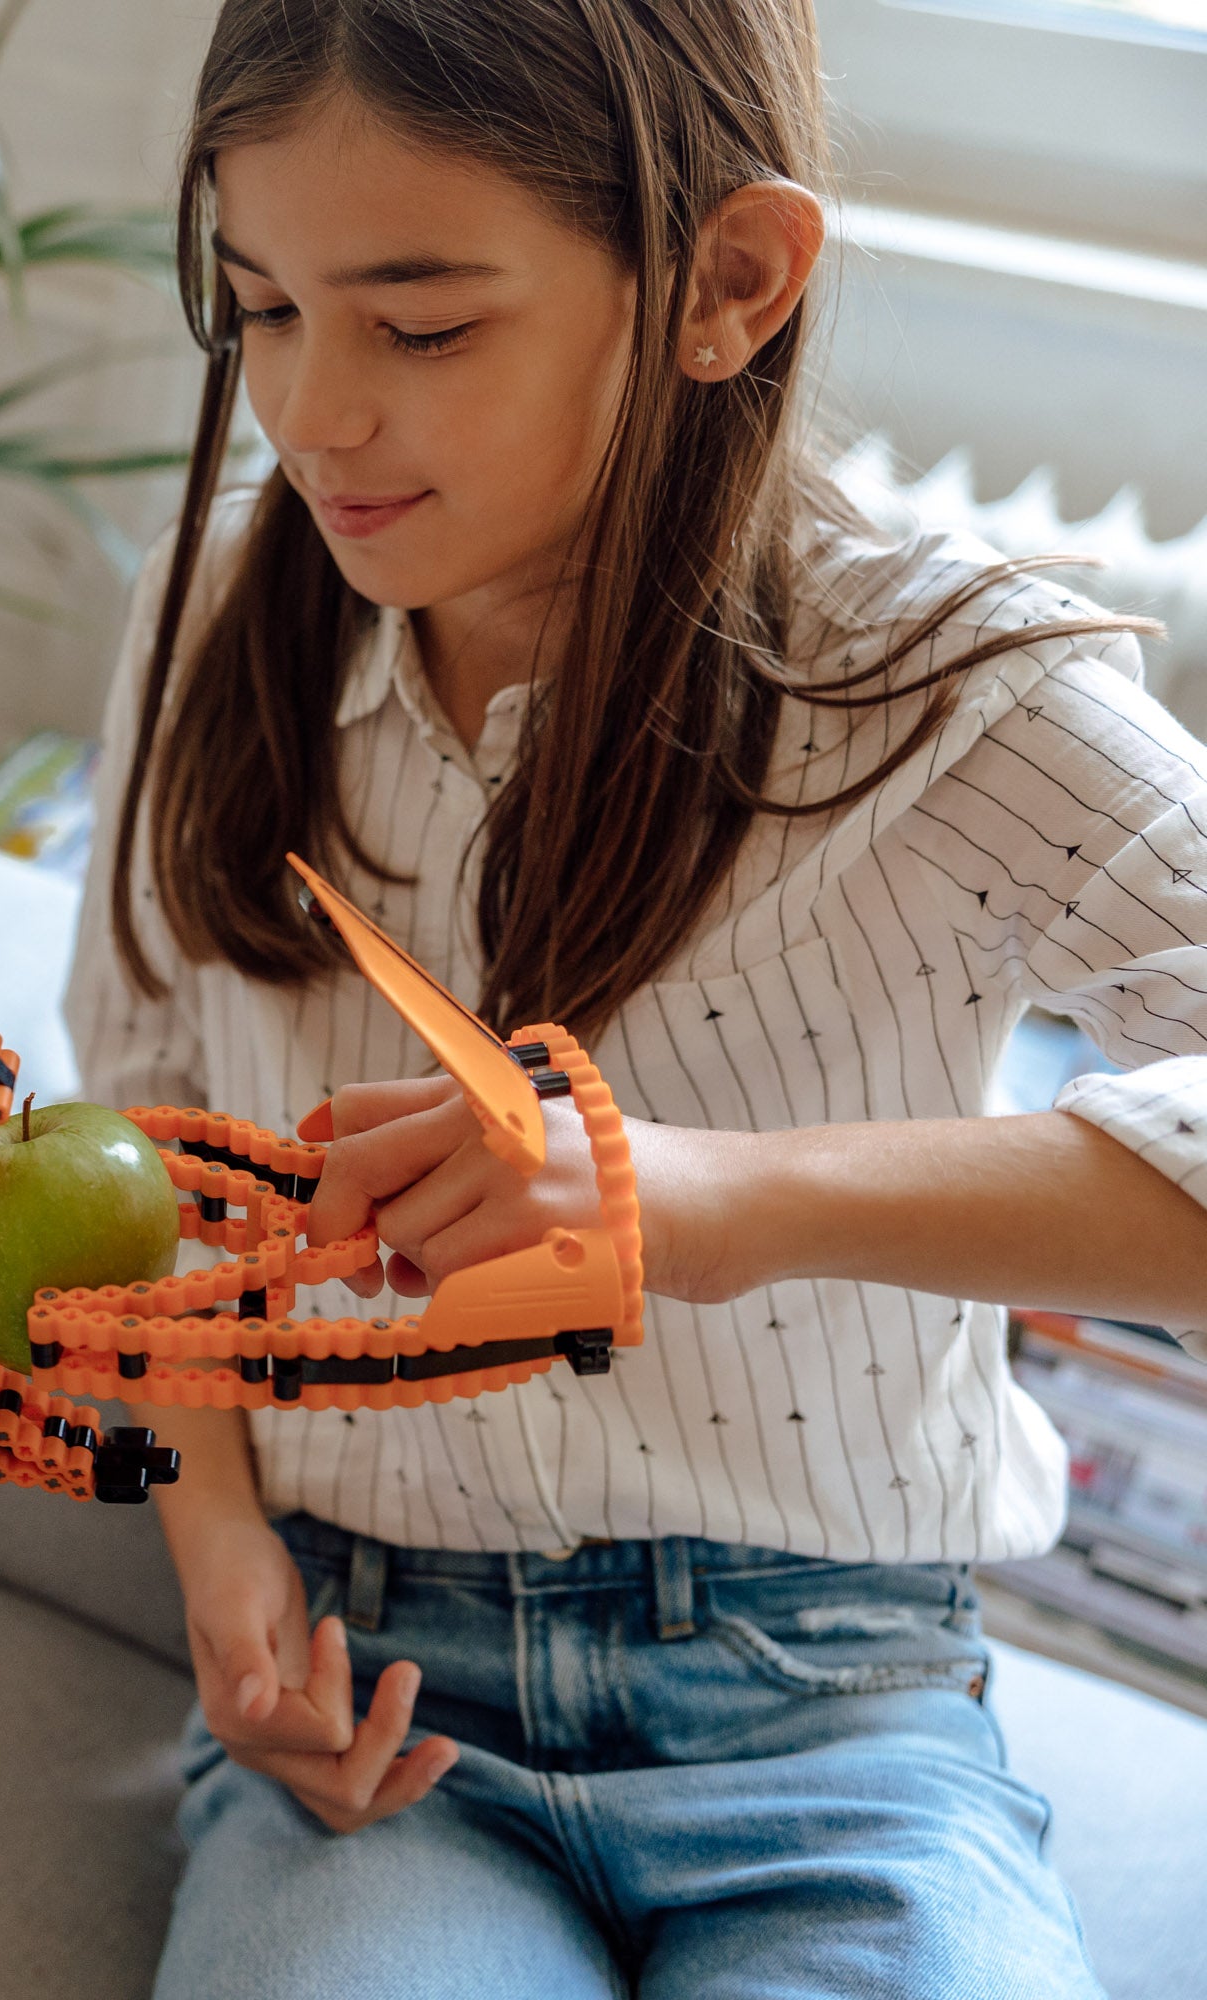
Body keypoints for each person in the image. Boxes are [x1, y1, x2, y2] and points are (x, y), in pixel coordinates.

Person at [68, 3, 1207, 1995]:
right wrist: (221, 1559)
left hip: (833, 1714)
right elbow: (144, 1158)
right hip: (372, 1704)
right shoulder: (206, 633)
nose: (310, 411)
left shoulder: (951, 689)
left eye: (420, 326)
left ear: (727, 283)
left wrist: (701, 1198)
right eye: (259, 309)